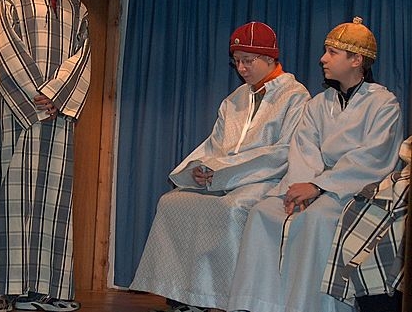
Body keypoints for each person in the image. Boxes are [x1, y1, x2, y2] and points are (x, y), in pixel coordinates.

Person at [130, 22, 311, 312]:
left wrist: (225, 171)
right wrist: (200, 169)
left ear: (269, 58)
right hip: (223, 178)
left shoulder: (295, 96)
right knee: (172, 202)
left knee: (233, 209)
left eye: (247, 60)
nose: (241, 68)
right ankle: (185, 295)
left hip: (266, 180)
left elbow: (284, 152)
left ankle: (234, 299)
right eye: (236, 61)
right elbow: (214, 145)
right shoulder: (235, 99)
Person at [227, 17, 404, 312]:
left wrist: (319, 186)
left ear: (356, 60)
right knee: (262, 213)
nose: (323, 59)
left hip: (357, 191)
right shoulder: (320, 103)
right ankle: (258, 304)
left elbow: (373, 157)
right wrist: (303, 186)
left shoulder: (383, 104)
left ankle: (313, 306)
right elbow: (304, 148)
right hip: (314, 184)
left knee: (316, 219)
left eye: (332, 53)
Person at [0, 0, 90, 312]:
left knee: (53, 201)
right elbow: (4, 46)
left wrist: (56, 95)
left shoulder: (77, 10)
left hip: (57, 117)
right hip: (21, 113)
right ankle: (3, 289)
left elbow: (81, 58)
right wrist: (36, 95)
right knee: (12, 198)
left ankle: (45, 290)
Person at [322, 134, 410, 312]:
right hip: (327, 177)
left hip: (344, 176)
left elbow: (377, 151)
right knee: (358, 209)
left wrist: (318, 185)